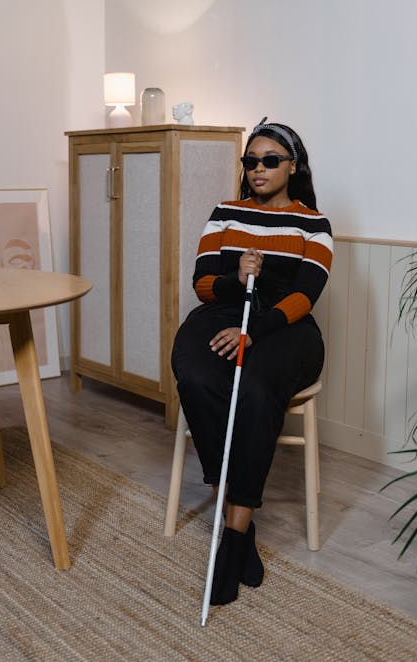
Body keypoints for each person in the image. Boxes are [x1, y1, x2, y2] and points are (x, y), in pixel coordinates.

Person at [171, 117, 333, 606]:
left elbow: (307, 295)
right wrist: (237, 278)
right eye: (250, 161)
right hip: (222, 312)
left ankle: (233, 538)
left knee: (259, 388)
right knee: (196, 374)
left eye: (269, 161)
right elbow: (201, 283)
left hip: (285, 327)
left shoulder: (314, 224)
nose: (257, 169)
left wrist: (252, 331)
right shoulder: (225, 212)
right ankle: (240, 522)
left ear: (293, 166)